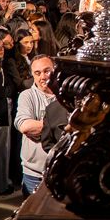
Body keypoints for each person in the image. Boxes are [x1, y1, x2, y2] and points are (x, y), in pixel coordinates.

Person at [15, 55, 67, 196]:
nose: (42, 77)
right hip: (34, 174)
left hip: (63, 170)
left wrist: (41, 129)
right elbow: (25, 126)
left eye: (47, 71)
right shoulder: (27, 96)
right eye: (37, 73)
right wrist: (59, 127)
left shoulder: (66, 96)